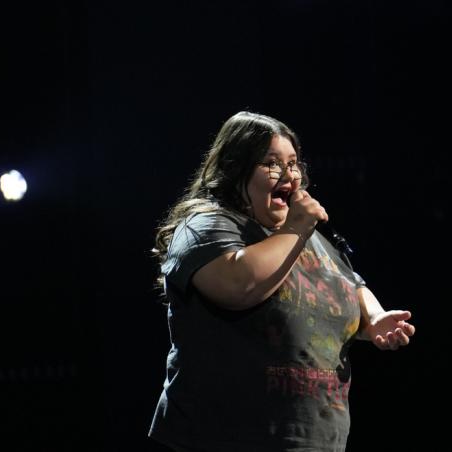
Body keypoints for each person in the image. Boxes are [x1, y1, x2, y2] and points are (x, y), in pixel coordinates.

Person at [148, 111, 416, 452]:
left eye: (293, 163)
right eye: (271, 163)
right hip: (221, 438)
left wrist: (374, 318)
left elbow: (351, 283)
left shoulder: (307, 237)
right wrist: (296, 228)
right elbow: (238, 285)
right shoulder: (205, 225)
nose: (289, 174)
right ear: (235, 168)